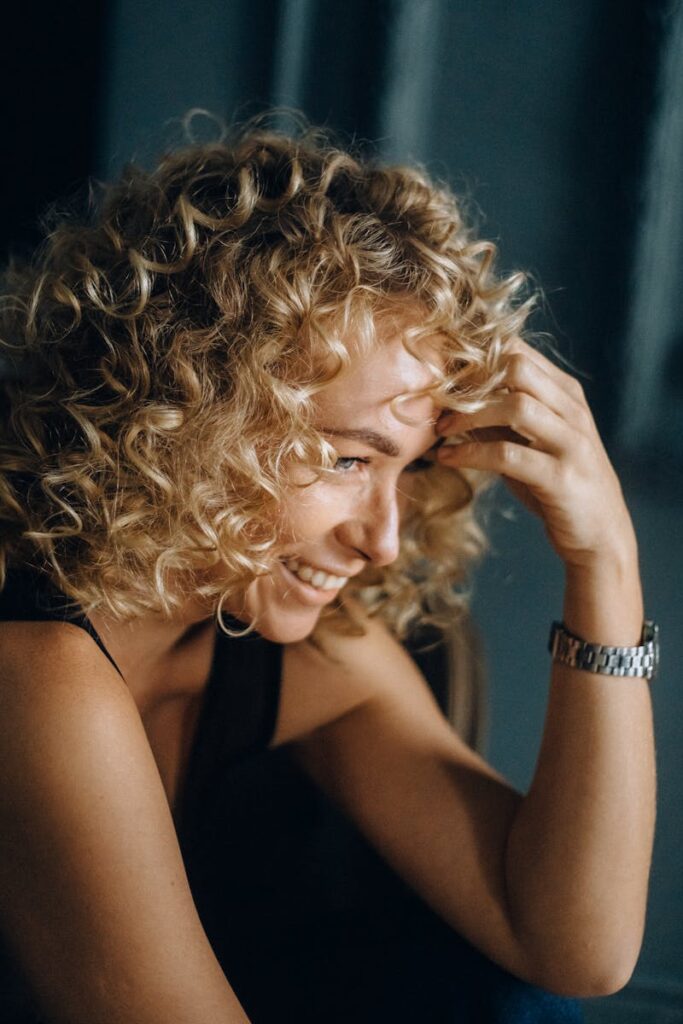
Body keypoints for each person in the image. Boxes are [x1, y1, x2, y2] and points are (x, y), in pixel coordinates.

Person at [0, 118, 656, 1024]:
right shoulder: (35, 667)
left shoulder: (295, 653)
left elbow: (572, 947)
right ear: (191, 407)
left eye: (409, 467)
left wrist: (606, 565)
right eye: (347, 459)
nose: (383, 540)